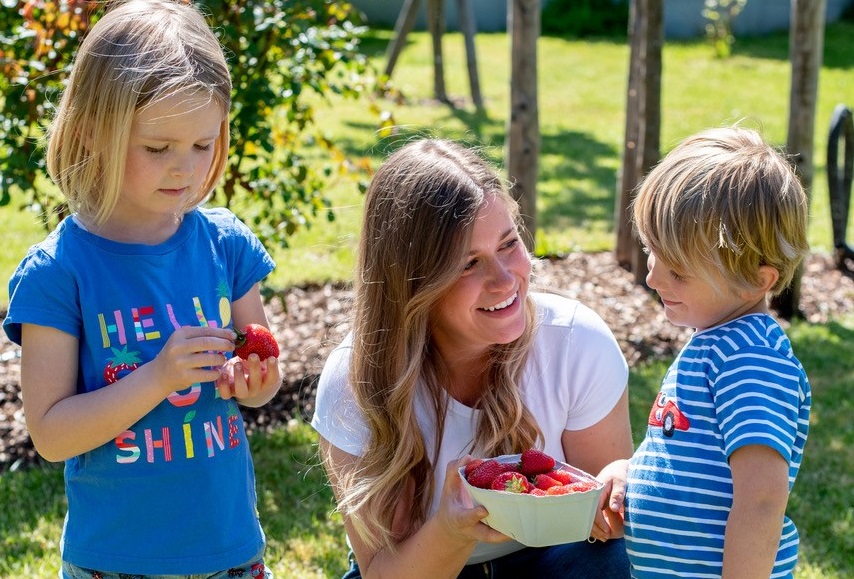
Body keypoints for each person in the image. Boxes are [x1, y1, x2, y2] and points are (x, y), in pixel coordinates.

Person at [2, 1, 281, 576]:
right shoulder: (60, 272)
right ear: (93, 132)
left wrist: (256, 382)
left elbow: (255, 380)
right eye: (159, 149)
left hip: (230, 553)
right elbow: (51, 434)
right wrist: (158, 377)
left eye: (203, 145)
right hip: (117, 562)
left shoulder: (225, 246)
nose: (186, 169)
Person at [311, 138, 634, 578]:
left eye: (508, 244)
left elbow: (603, 535)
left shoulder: (576, 342)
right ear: (412, 285)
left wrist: (615, 490)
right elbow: (383, 572)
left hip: (552, 559)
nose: (504, 280)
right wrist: (451, 528)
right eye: (468, 264)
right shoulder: (355, 379)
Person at [619, 127, 811, 577]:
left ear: (757, 280)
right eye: (652, 251)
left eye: (679, 272)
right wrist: (627, 475)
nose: (653, 279)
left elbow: (762, 495)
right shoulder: (718, 343)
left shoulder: (750, 359)